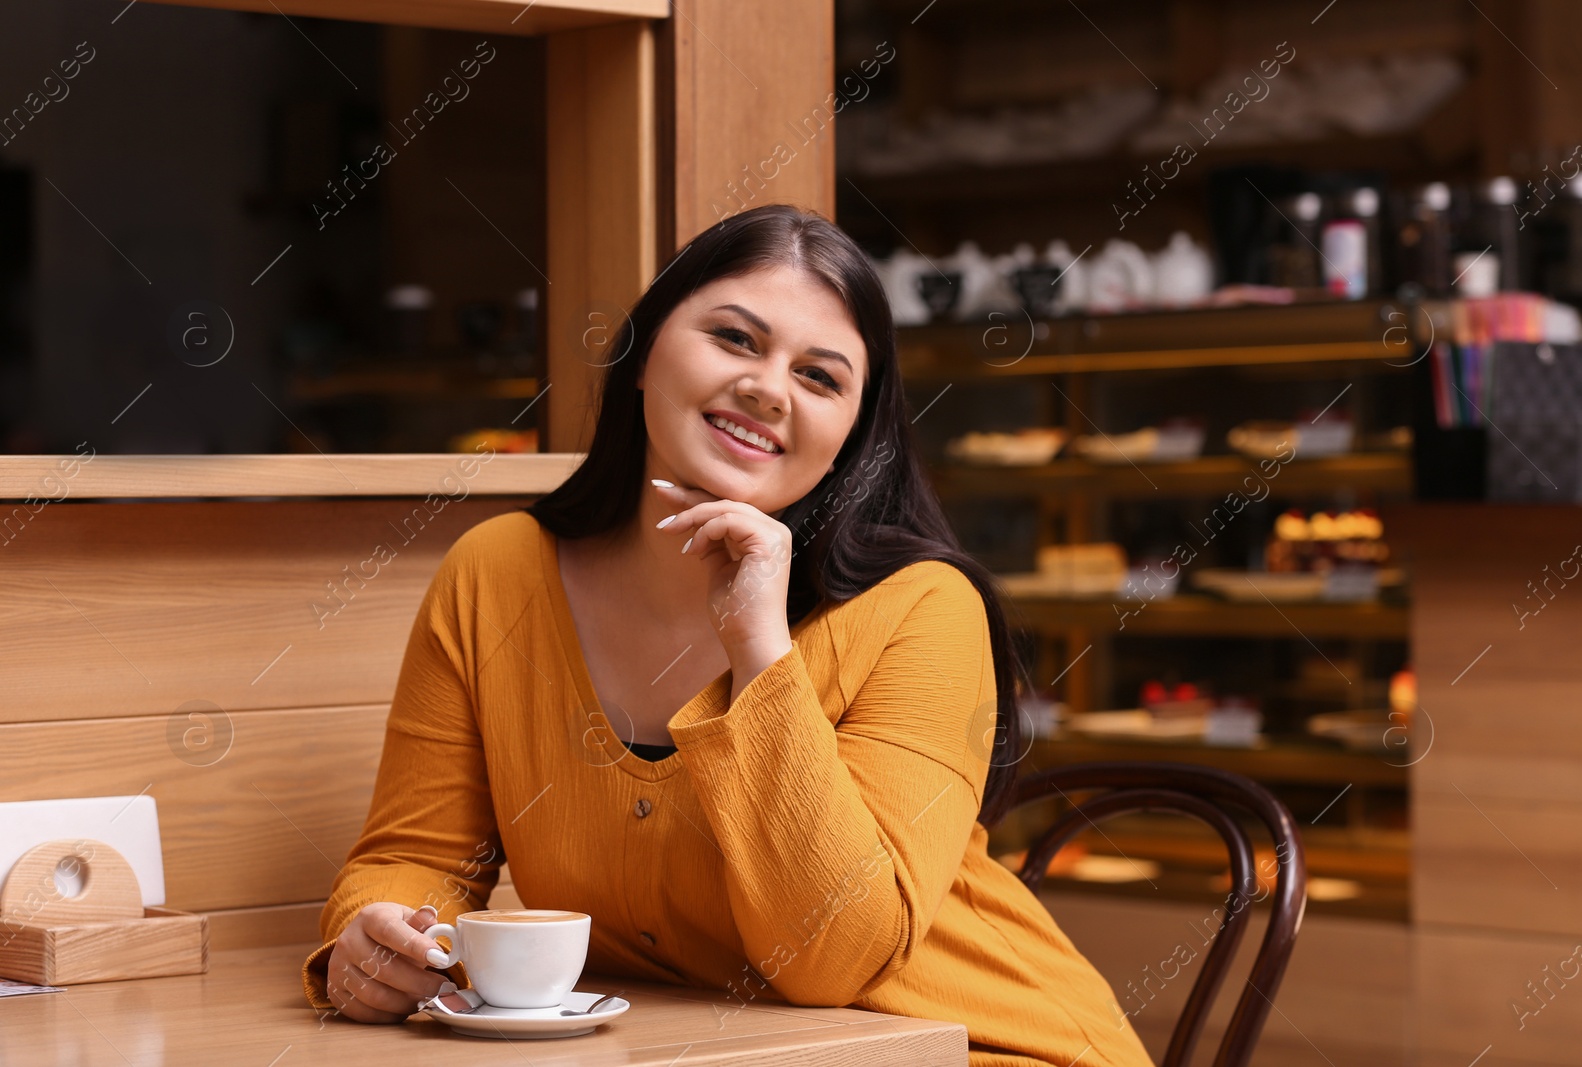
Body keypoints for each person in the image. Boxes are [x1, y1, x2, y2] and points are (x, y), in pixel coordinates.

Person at [299, 203, 1154, 1067]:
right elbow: (417, 856)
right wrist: (376, 942)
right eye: (737, 340)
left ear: (849, 442)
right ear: (640, 356)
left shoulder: (926, 607)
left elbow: (834, 957)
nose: (768, 388)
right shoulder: (496, 573)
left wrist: (759, 647)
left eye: (821, 379)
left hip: (983, 1047)